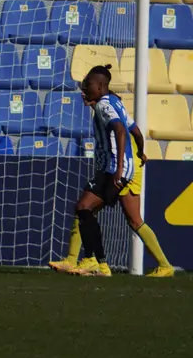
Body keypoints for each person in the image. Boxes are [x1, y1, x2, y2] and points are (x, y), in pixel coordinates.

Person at [49, 65, 174, 277]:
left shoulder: (105, 106)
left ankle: (90, 261)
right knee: (130, 219)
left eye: (88, 85)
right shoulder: (115, 102)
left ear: (100, 86)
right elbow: (135, 131)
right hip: (126, 167)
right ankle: (162, 265)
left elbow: (119, 130)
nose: (84, 89)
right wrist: (142, 152)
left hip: (118, 168)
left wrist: (118, 169)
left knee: (84, 208)